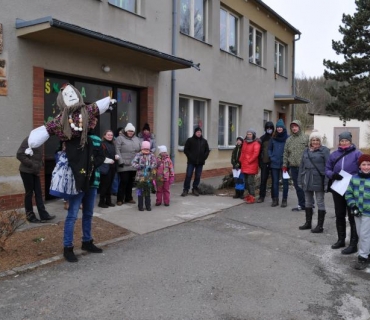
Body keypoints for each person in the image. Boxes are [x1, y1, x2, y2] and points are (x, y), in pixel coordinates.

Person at [25, 84, 116, 262]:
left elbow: (96, 108)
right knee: (73, 214)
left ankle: (87, 241)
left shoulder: (92, 136)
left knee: (88, 212)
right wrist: (31, 144)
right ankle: (68, 247)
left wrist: (107, 102)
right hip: (75, 176)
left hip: (90, 177)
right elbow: (47, 129)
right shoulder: (62, 125)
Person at [326, 131, 362, 255]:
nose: (344, 142)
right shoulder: (334, 154)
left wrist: (354, 178)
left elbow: (363, 168)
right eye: (342, 140)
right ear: (339, 141)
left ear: (350, 141)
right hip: (338, 188)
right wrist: (332, 175)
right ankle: (341, 240)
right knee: (339, 214)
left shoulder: (357, 153)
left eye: (346, 140)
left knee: (352, 216)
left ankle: (353, 244)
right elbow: (327, 168)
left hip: (352, 189)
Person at [16, 137, 56, 223]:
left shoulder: (40, 141)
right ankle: (30, 215)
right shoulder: (29, 140)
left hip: (35, 171)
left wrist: (40, 164)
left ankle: (43, 215)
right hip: (26, 171)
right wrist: (32, 164)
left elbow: (37, 155)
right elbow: (19, 154)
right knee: (29, 193)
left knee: (38, 193)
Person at [297, 131, 330, 233]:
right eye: (313, 140)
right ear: (310, 141)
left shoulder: (324, 150)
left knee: (320, 201)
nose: (315, 142)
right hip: (307, 179)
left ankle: (320, 226)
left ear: (320, 141)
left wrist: (326, 182)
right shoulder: (306, 151)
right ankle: (308, 223)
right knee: (307, 201)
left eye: (317, 140)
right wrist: (300, 180)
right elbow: (302, 166)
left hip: (318, 179)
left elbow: (328, 167)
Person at [345, 154, 370, 270]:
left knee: (365, 235)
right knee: (361, 234)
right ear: (359, 166)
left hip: (368, 213)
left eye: (369, 164)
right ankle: (367, 252)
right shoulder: (354, 178)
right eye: (363, 164)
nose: (366, 167)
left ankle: (363, 258)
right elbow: (349, 193)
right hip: (358, 212)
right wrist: (353, 205)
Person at [282, 120, 309, 211]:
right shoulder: (289, 140)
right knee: (298, 187)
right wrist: (285, 165)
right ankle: (301, 204)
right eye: (292, 127)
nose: (294, 128)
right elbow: (285, 153)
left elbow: (311, 151)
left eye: (296, 126)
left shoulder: (305, 138)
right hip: (293, 167)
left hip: (304, 167)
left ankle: (309, 205)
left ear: (299, 127)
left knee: (306, 186)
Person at [115, 123, 141, 205]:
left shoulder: (137, 139)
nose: (131, 132)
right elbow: (117, 150)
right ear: (126, 131)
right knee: (124, 181)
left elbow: (140, 150)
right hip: (123, 164)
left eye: (132, 131)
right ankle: (120, 199)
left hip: (133, 164)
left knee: (130, 182)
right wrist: (120, 161)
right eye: (129, 131)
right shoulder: (120, 138)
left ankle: (128, 198)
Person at [181, 127, 210, 197]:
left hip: (200, 162)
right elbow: (186, 150)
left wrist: (204, 157)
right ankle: (186, 189)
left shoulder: (204, 141)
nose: (199, 133)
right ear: (195, 132)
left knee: (198, 176)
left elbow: (207, 151)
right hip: (191, 162)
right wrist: (190, 156)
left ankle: (195, 188)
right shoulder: (190, 140)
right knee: (188, 175)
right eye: (197, 132)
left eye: (200, 132)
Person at [268, 119, 289, 207]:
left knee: (285, 182)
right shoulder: (273, 138)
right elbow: (269, 149)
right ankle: (275, 199)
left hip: (285, 164)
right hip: (274, 163)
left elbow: (289, 150)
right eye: (278, 127)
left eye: (281, 127)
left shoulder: (288, 138)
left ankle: (284, 199)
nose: (279, 128)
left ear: (283, 128)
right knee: (275, 182)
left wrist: (287, 160)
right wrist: (271, 156)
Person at [131, 141, 157, 211]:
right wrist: (139, 166)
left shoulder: (151, 155)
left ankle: (148, 205)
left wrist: (151, 167)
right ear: (141, 148)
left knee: (147, 192)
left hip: (148, 177)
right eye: (144, 149)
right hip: (140, 177)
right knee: (140, 192)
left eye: (147, 149)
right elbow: (133, 163)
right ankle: (140, 206)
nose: (146, 151)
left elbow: (155, 163)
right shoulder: (138, 155)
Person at [239, 129, 261, 204]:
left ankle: (252, 196)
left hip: (251, 165)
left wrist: (249, 160)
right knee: (246, 182)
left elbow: (255, 154)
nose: (248, 135)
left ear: (253, 135)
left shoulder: (256, 143)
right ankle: (249, 195)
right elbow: (242, 152)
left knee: (250, 182)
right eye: (248, 134)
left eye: (250, 134)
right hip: (244, 164)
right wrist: (241, 160)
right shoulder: (245, 142)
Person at [98, 130, 119, 208]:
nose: (110, 136)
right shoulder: (102, 144)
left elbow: (112, 153)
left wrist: (116, 156)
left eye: (111, 135)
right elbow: (100, 155)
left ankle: (108, 201)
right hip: (105, 167)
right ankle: (101, 202)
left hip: (112, 167)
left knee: (110, 185)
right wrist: (107, 160)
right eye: (108, 135)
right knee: (104, 185)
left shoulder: (113, 144)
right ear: (104, 135)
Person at [257, 121, 274, 203]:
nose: (269, 130)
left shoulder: (275, 137)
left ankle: (274, 197)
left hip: (274, 162)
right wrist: (259, 162)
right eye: (268, 128)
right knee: (263, 180)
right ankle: (261, 196)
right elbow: (259, 151)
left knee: (274, 180)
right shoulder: (262, 138)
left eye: (271, 128)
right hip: (264, 162)